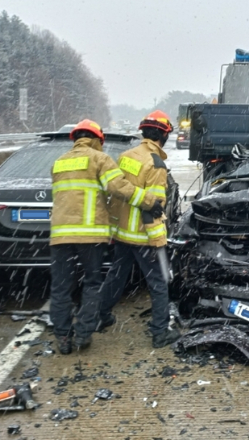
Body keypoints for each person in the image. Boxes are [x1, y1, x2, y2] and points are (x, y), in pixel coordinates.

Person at [49, 119, 163, 354]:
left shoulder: (58, 162)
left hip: (60, 235)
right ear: (97, 140)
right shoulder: (100, 159)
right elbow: (119, 188)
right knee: (91, 283)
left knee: (61, 287)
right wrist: (150, 202)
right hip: (90, 234)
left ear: (75, 138)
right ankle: (83, 334)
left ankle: (62, 337)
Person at [99, 110, 180, 348]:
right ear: (163, 136)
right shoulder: (156, 164)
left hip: (123, 233)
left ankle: (100, 316)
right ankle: (159, 332)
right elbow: (153, 208)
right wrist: (158, 241)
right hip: (144, 236)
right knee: (159, 281)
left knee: (116, 276)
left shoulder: (125, 156)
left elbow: (118, 192)